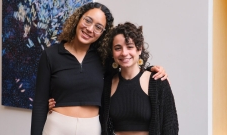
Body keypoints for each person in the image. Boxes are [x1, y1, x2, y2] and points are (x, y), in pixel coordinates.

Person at [32, 2, 168, 135]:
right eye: (88, 20)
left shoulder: (104, 58)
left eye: (98, 27)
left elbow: (126, 71)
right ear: (78, 19)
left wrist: (151, 71)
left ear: (103, 33)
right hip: (57, 127)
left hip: (91, 128)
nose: (90, 29)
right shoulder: (51, 55)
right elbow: (39, 103)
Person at [99, 22, 179, 135]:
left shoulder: (157, 81)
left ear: (139, 49)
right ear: (112, 53)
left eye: (130, 47)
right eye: (118, 48)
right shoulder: (106, 85)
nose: (124, 53)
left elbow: (170, 126)